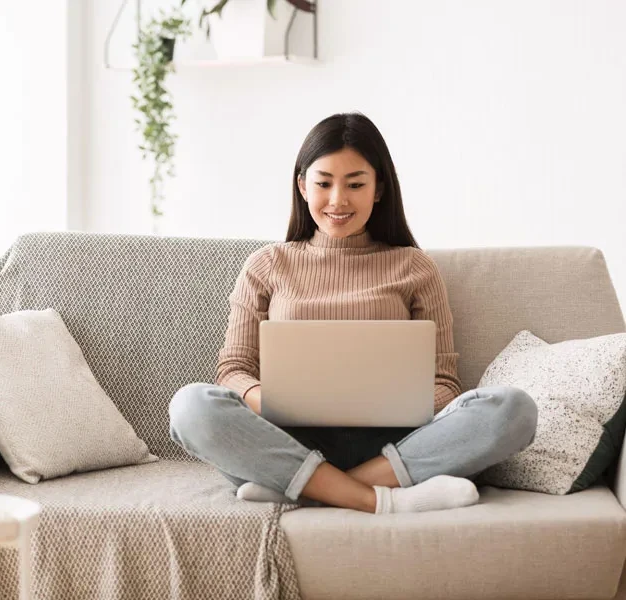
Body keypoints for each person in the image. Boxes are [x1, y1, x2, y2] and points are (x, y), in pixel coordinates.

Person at [168, 112, 538, 514]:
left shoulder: (414, 267)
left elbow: (445, 383)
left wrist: (395, 402)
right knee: (191, 406)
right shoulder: (266, 264)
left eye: (356, 184)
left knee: (513, 409)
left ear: (378, 188)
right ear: (302, 187)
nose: (338, 200)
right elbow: (234, 370)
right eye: (323, 183)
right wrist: (275, 401)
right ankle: (384, 499)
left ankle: (310, 489)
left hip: (395, 446)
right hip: (286, 441)